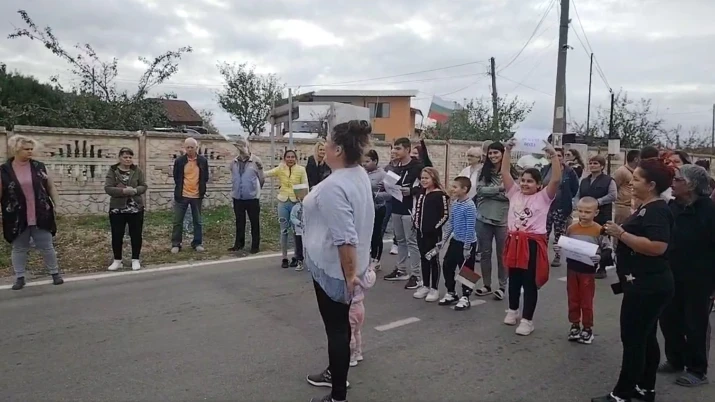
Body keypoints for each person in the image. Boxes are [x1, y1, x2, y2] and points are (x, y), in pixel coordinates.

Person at [592, 158, 675, 402]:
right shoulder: (647, 206)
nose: (631, 182)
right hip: (642, 283)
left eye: (636, 179)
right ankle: (645, 387)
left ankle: (623, 393)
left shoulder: (658, 210)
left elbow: (658, 247)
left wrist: (622, 234)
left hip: (648, 286)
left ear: (651, 185)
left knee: (634, 340)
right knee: (646, 337)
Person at [303, 120, 374, 402]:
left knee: (336, 329)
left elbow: (345, 237)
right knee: (340, 327)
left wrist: (349, 276)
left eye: (329, 144)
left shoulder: (336, 185)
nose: (325, 149)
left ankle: (338, 395)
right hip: (344, 265)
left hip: (335, 269)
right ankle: (336, 372)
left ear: (339, 149)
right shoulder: (356, 174)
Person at [658, 164, 715, 387]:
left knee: (695, 324)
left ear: (690, 185)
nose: (673, 182)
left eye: (678, 179)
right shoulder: (673, 206)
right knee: (669, 320)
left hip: (699, 280)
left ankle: (697, 370)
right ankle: (675, 359)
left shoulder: (709, 212)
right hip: (671, 274)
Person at [502, 138, 560, 336]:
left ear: (538, 185)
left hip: (532, 243)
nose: (525, 184)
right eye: (523, 180)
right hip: (514, 241)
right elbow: (504, 172)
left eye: (530, 181)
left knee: (529, 282)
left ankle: (527, 320)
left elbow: (556, 180)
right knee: (513, 279)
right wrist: (507, 151)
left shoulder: (544, 197)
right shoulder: (513, 193)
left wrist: (553, 155)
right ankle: (512, 310)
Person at [1, 135, 64, 290]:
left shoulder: (39, 167)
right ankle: (20, 277)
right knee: (19, 248)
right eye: (26, 149)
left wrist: (57, 205)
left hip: (41, 213)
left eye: (31, 149)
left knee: (47, 245)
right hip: (16, 216)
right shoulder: (4, 171)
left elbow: (50, 187)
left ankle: (55, 273)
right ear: (16, 149)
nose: (30, 152)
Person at [554, 197, 612, 345]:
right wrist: (559, 248)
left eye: (587, 212)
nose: (583, 214)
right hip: (572, 268)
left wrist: (600, 257)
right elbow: (566, 243)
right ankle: (574, 324)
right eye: (580, 211)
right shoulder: (572, 228)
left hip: (587, 270)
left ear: (596, 212)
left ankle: (587, 328)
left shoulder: (599, 229)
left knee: (586, 300)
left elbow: (607, 249)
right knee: (573, 298)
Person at [474, 141, 518, 300]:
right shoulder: (483, 171)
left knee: (502, 255)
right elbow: (479, 191)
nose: (492, 156)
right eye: (490, 153)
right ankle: (486, 285)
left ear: (503, 153)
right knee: (485, 254)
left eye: (496, 153)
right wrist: (499, 189)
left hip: (503, 219)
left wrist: (491, 192)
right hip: (483, 218)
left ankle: (502, 286)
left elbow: (511, 195)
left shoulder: (511, 173)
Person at [383, 137, 424, 290]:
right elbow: (389, 184)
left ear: (407, 149)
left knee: (411, 241)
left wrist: (411, 191)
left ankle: (417, 275)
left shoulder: (417, 166)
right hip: (396, 206)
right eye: (394, 148)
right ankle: (401, 270)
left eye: (398, 148)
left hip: (409, 207)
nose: (394, 151)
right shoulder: (395, 166)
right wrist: (385, 186)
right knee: (400, 239)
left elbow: (426, 185)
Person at [104, 147, 148, 271]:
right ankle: (117, 260)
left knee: (136, 234)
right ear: (120, 158)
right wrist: (123, 191)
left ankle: (135, 259)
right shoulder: (113, 170)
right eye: (125, 157)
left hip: (135, 208)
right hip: (117, 209)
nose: (128, 159)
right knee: (117, 235)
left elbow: (144, 186)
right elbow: (108, 188)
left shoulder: (137, 170)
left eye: (130, 157)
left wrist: (135, 190)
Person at [438, 176, 478, 311]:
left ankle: (465, 296)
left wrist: (467, 247)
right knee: (448, 265)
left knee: (466, 270)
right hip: (456, 241)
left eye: (455, 187)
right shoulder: (455, 203)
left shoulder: (470, 206)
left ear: (464, 189)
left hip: (468, 242)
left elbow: (470, 228)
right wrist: (443, 240)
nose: (452, 189)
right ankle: (451, 292)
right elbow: (451, 223)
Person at [265, 149, 309, 268]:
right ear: (284, 158)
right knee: (284, 230)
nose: (290, 159)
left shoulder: (301, 169)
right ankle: (284, 257)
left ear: (296, 159)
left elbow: (305, 186)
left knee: (296, 231)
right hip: (283, 202)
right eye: (288, 157)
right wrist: (256, 169)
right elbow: (267, 173)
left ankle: (296, 256)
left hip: (296, 203)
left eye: (292, 157)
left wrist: (303, 201)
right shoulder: (280, 168)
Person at [412, 167, 449, 302]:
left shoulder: (441, 195)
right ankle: (426, 285)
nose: (424, 180)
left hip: (433, 235)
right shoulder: (421, 193)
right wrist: (416, 223)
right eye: (422, 178)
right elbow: (417, 210)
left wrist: (435, 227)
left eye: (427, 178)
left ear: (434, 179)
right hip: (420, 233)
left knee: (433, 259)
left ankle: (434, 288)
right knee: (423, 258)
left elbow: (445, 215)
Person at [577, 155, 617, 278]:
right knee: (587, 238)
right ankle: (587, 263)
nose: (592, 165)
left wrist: (597, 202)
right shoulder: (584, 181)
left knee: (602, 240)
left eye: (595, 163)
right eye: (591, 163)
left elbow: (613, 195)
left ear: (602, 166)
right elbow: (578, 195)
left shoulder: (609, 180)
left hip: (602, 215)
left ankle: (602, 267)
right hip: (586, 215)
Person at [541, 147, 579, 267]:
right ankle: (541, 257)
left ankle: (557, 256)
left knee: (559, 233)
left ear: (563, 157)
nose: (557, 158)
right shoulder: (545, 169)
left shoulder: (569, 172)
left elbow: (574, 189)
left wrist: (566, 200)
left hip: (561, 207)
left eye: (559, 155)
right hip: (546, 207)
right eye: (554, 155)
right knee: (544, 233)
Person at [171, 137, 210, 254]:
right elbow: (176, 177)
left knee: (197, 221)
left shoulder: (203, 161)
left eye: (191, 147)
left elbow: (205, 177)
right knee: (178, 221)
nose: (189, 149)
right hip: (182, 195)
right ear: (184, 148)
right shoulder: (179, 161)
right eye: (187, 147)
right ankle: (176, 244)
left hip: (197, 195)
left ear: (196, 148)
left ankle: (197, 243)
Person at [229, 137, 264, 254]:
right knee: (239, 222)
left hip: (252, 198)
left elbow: (261, 178)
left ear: (247, 146)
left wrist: (255, 190)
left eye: (242, 145)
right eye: (238, 146)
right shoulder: (233, 162)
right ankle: (238, 244)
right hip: (238, 197)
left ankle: (255, 246)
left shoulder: (256, 161)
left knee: (254, 222)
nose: (240, 148)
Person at [363, 150, 389, 270]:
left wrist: (377, 196)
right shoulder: (362, 173)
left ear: (375, 161)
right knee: (366, 234)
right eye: (363, 161)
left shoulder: (383, 175)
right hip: (364, 208)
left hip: (378, 208)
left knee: (376, 234)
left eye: (367, 161)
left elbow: (391, 194)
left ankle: (376, 259)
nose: (364, 164)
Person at [349, 263, 376, 367]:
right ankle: (358, 352)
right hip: (360, 306)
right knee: (357, 331)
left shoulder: (349, 273)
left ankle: (351, 356)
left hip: (351, 307)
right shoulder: (362, 272)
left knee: (349, 333)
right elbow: (368, 282)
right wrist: (371, 270)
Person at [613, 150, 640, 227]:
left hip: (633, 207)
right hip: (623, 207)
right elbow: (615, 187)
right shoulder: (621, 171)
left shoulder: (637, 172)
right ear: (636, 159)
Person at [289, 183, 308, 271]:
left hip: (308, 231)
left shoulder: (308, 207)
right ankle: (300, 261)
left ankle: (310, 262)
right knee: (299, 246)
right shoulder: (295, 208)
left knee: (308, 247)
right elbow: (292, 217)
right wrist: (299, 222)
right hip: (298, 231)